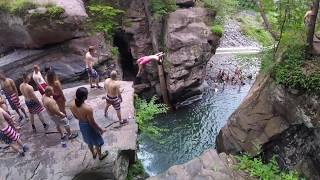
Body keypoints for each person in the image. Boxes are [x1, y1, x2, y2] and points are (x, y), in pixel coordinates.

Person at [70, 87, 108, 160]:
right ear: (85, 97)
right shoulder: (88, 109)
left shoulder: (71, 105)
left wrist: (81, 118)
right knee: (97, 141)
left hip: (81, 124)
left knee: (89, 140)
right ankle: (100, 156)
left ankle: (93, 154)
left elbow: (76, 117)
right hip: (89, 127)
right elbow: (92, 123)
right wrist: (101, 129)